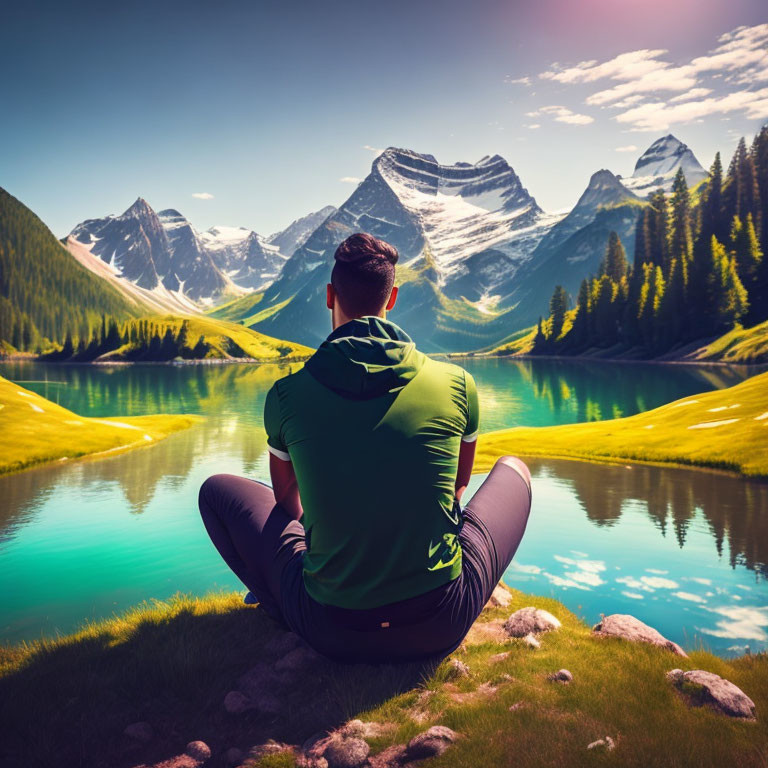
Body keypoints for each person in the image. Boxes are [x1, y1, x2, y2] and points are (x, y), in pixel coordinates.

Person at [199, 232, 532, 663]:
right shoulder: (457, 385)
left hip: (330, 628)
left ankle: (278, 605)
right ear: (391, 298)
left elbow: (287, 500)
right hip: (439, 620)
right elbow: (455, 490)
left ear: (329, 295)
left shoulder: (287, 395)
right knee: (514, 469)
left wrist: (338, 532)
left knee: (216, 491)